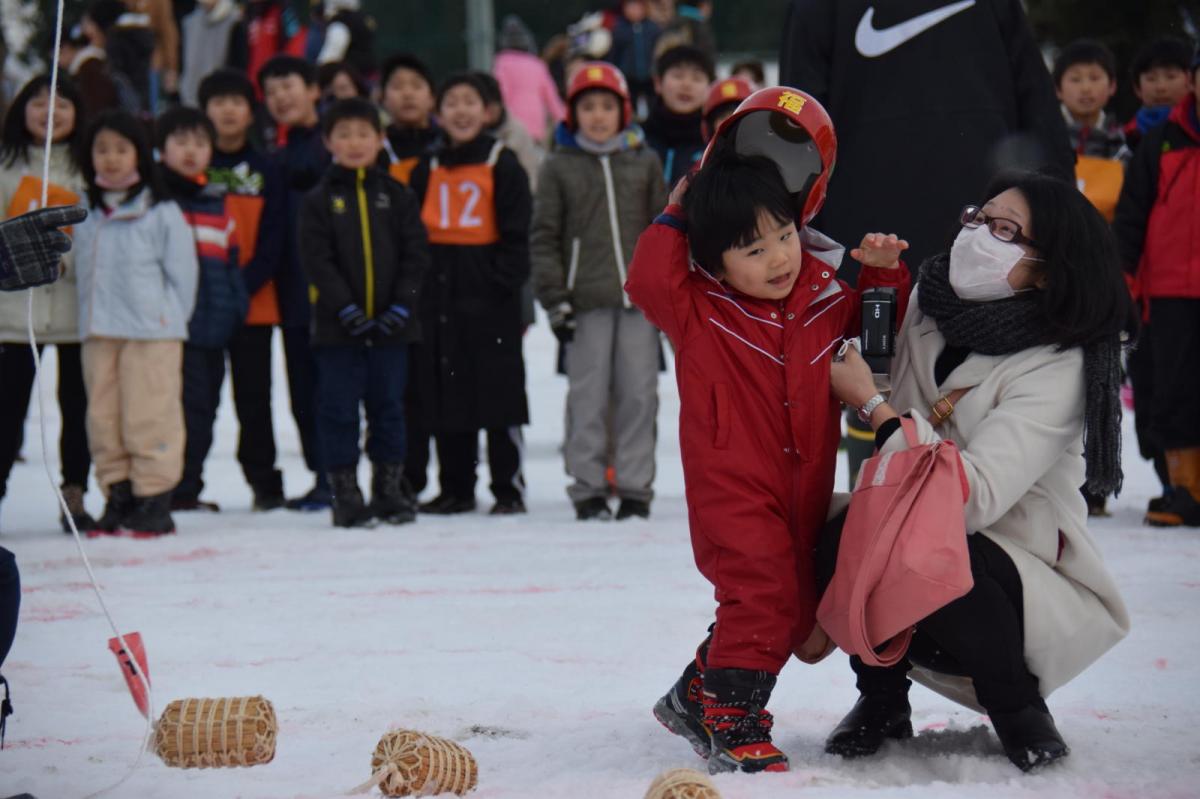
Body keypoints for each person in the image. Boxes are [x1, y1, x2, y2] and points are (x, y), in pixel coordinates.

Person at [632, 88, 910, 773]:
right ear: (716, 261)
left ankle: (696, 690)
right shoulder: (700, 310)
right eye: (753, 249)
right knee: (760, 591)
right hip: (734, 486)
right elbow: (646, 278)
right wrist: (679, 206)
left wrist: (881, 275)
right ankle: (732, 717)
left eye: (783, 235)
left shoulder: (821, 292)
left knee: (791, 607)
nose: (778, 257)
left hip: (804, 484)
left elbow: (870, 333)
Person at [821, 172, 1131, 772]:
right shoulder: (929, 303)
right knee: (833, 531)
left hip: (1013, 568)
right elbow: (878, 370)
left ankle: (1016, 706)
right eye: (979, 218)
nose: (979, 236)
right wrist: (878, 285)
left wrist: (872, 409)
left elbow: (971, 497)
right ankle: (882, 699)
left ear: (1045, 267)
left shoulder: (1061, 360)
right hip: (919, 535)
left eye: (1005, 230)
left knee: (936, 548)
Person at [531, 62, 665, 521]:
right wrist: (554, 298)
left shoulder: (643, 161)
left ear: (623, 110)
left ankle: (634, 486)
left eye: (607, 106)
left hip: (639, 305)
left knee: (638, 396)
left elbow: (663, 229)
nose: (598, 116)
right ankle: (587, 486)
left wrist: (665, 289)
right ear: (572, 113)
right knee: (587, 397)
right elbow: (545, 235)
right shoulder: (559, 165)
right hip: (584, 301)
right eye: (588, 107)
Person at [298, 97, 431, 527]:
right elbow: (318, 262)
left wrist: (400, 306)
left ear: (380, 139)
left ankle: (389, 490)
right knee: (337, 411)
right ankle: (345, 493)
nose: (354, 143)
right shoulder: (319, 200)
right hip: (339, 332)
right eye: (344, 135)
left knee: (389, 409)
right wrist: (346, 309)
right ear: (327, 142)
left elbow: (416, 257)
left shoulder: (398, 195)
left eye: (363, 134)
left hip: (393, 330)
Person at [408, 73, 533, 516]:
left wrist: (498, 285)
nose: (461, 111)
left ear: (489, 112)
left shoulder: (504, 163)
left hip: (491, 302)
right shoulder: (428, 168)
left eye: (470, 102)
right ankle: (456, 487)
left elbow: (520, 238)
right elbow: (413, 239)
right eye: (452, 102)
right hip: (439, 301)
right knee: (447, 392)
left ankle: (507, 488)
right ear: (438, 114)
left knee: (499, 397)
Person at [74, 110, 198, 536]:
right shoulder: (83, 210)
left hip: (152, 331)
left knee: (150, 415)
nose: (111, 159)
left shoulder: (161, 210)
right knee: (104, 418)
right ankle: (118, 494)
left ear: (140, 156)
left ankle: (153, 499)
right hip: (98, 330)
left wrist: (168, 319)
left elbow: (184, 276)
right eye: (102, 149)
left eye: (121, 150)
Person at [0, 75, 94, 534]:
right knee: (5, 410)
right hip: (14, 318)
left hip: (78, 314)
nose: (50, 112)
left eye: (62, 104)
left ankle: (75, 491)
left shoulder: (89, 166)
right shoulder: (5, 165)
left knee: (79, 411)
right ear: (22, 110)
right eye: (40, 102)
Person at [1113, 53, 1200, 528]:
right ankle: (1182, 489)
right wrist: (1123, 275)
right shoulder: (1160, 140)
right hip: (1168, 290)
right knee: (1173, 389)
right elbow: (1131, 214)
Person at [201, 68, 288, 511]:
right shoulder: (191, 166)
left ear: (251, 112)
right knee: (197, 396)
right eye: (219, 102)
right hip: (201, 306)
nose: (228, 110)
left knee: (254, 398)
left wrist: (244, 285)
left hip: (253, 303)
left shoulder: (267, 169)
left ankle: (265, 482)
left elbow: (274, 238)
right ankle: (183, 483)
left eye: (237, 101)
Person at [157, 106, 248, 514]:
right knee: (171, 411)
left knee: (204, 410)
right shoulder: (157, 201)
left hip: (215, 328)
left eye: (199, 143)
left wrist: (237, 308)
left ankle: (188, 486)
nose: (191, 151)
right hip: (171, 330)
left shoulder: (216, 202)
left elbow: (231, 262)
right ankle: (165, 486)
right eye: (181, 142)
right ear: (161, 149)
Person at [259, 54, 332, 511]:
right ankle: (320, 474)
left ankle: (335, 475)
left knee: (333, 391)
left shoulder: (335, 143)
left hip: (331, 292)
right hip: (290, 292)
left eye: (289, 86)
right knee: (302, 392)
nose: (281, 97)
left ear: (313, 90)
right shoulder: (277, 155)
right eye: (272, 91)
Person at [1053, 40, 1129, 223]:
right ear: (1057, 89)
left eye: (1094, 78)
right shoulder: (1045, 139)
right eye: (1075, 79)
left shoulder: (1125, 144)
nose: (1086, 88)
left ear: (1112, 86)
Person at [643, 45, 713, 190]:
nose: (686, 85)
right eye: (678, 76)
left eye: (697, 78)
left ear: (710, 87)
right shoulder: (637, 140)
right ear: (658, 83)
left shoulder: (713, 145)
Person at [492, 15, 566, 144]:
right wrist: (567, 121)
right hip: (536, 125)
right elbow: (552, 98)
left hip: (511, 126)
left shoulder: (502, 62)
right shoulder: (537, 64)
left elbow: (501, 94)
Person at [1123, 36, 1193, 151]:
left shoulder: (1195, 132)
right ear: (1137, 88)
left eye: (1171, 77)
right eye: (1151, 79)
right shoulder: (1123, 139)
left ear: (1191, 81)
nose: (1161, 87)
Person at [378, 53, 438, 186]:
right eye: (397, 86)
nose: (407, 94)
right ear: (383, 99)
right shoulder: (375, 148)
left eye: (416, 86)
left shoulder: (448, 145)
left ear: (432, 98)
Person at [178, 0, 248, 108]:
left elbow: (239, 64)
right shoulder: (189, 22)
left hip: (222, 100)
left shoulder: (236, 20)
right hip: (190, 99)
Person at [606, 0, 661, 115]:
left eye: (638, 7)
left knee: (654, 105)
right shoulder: (619, 29)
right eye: (630, 6)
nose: (634, 10)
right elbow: (614, 54)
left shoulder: (653, 29)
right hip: (628, 76)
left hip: (649, 76)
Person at [314, 0, 377, 79]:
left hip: (353, 80)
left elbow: (329, 61)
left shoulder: (340, 24)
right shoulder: (363, 19)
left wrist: (316, 78)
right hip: (365, 77)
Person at [700, 76, 753, 142]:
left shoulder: (767, 150)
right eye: (723, 116)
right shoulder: (702, 152)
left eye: (738, 116)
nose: (731, 122)